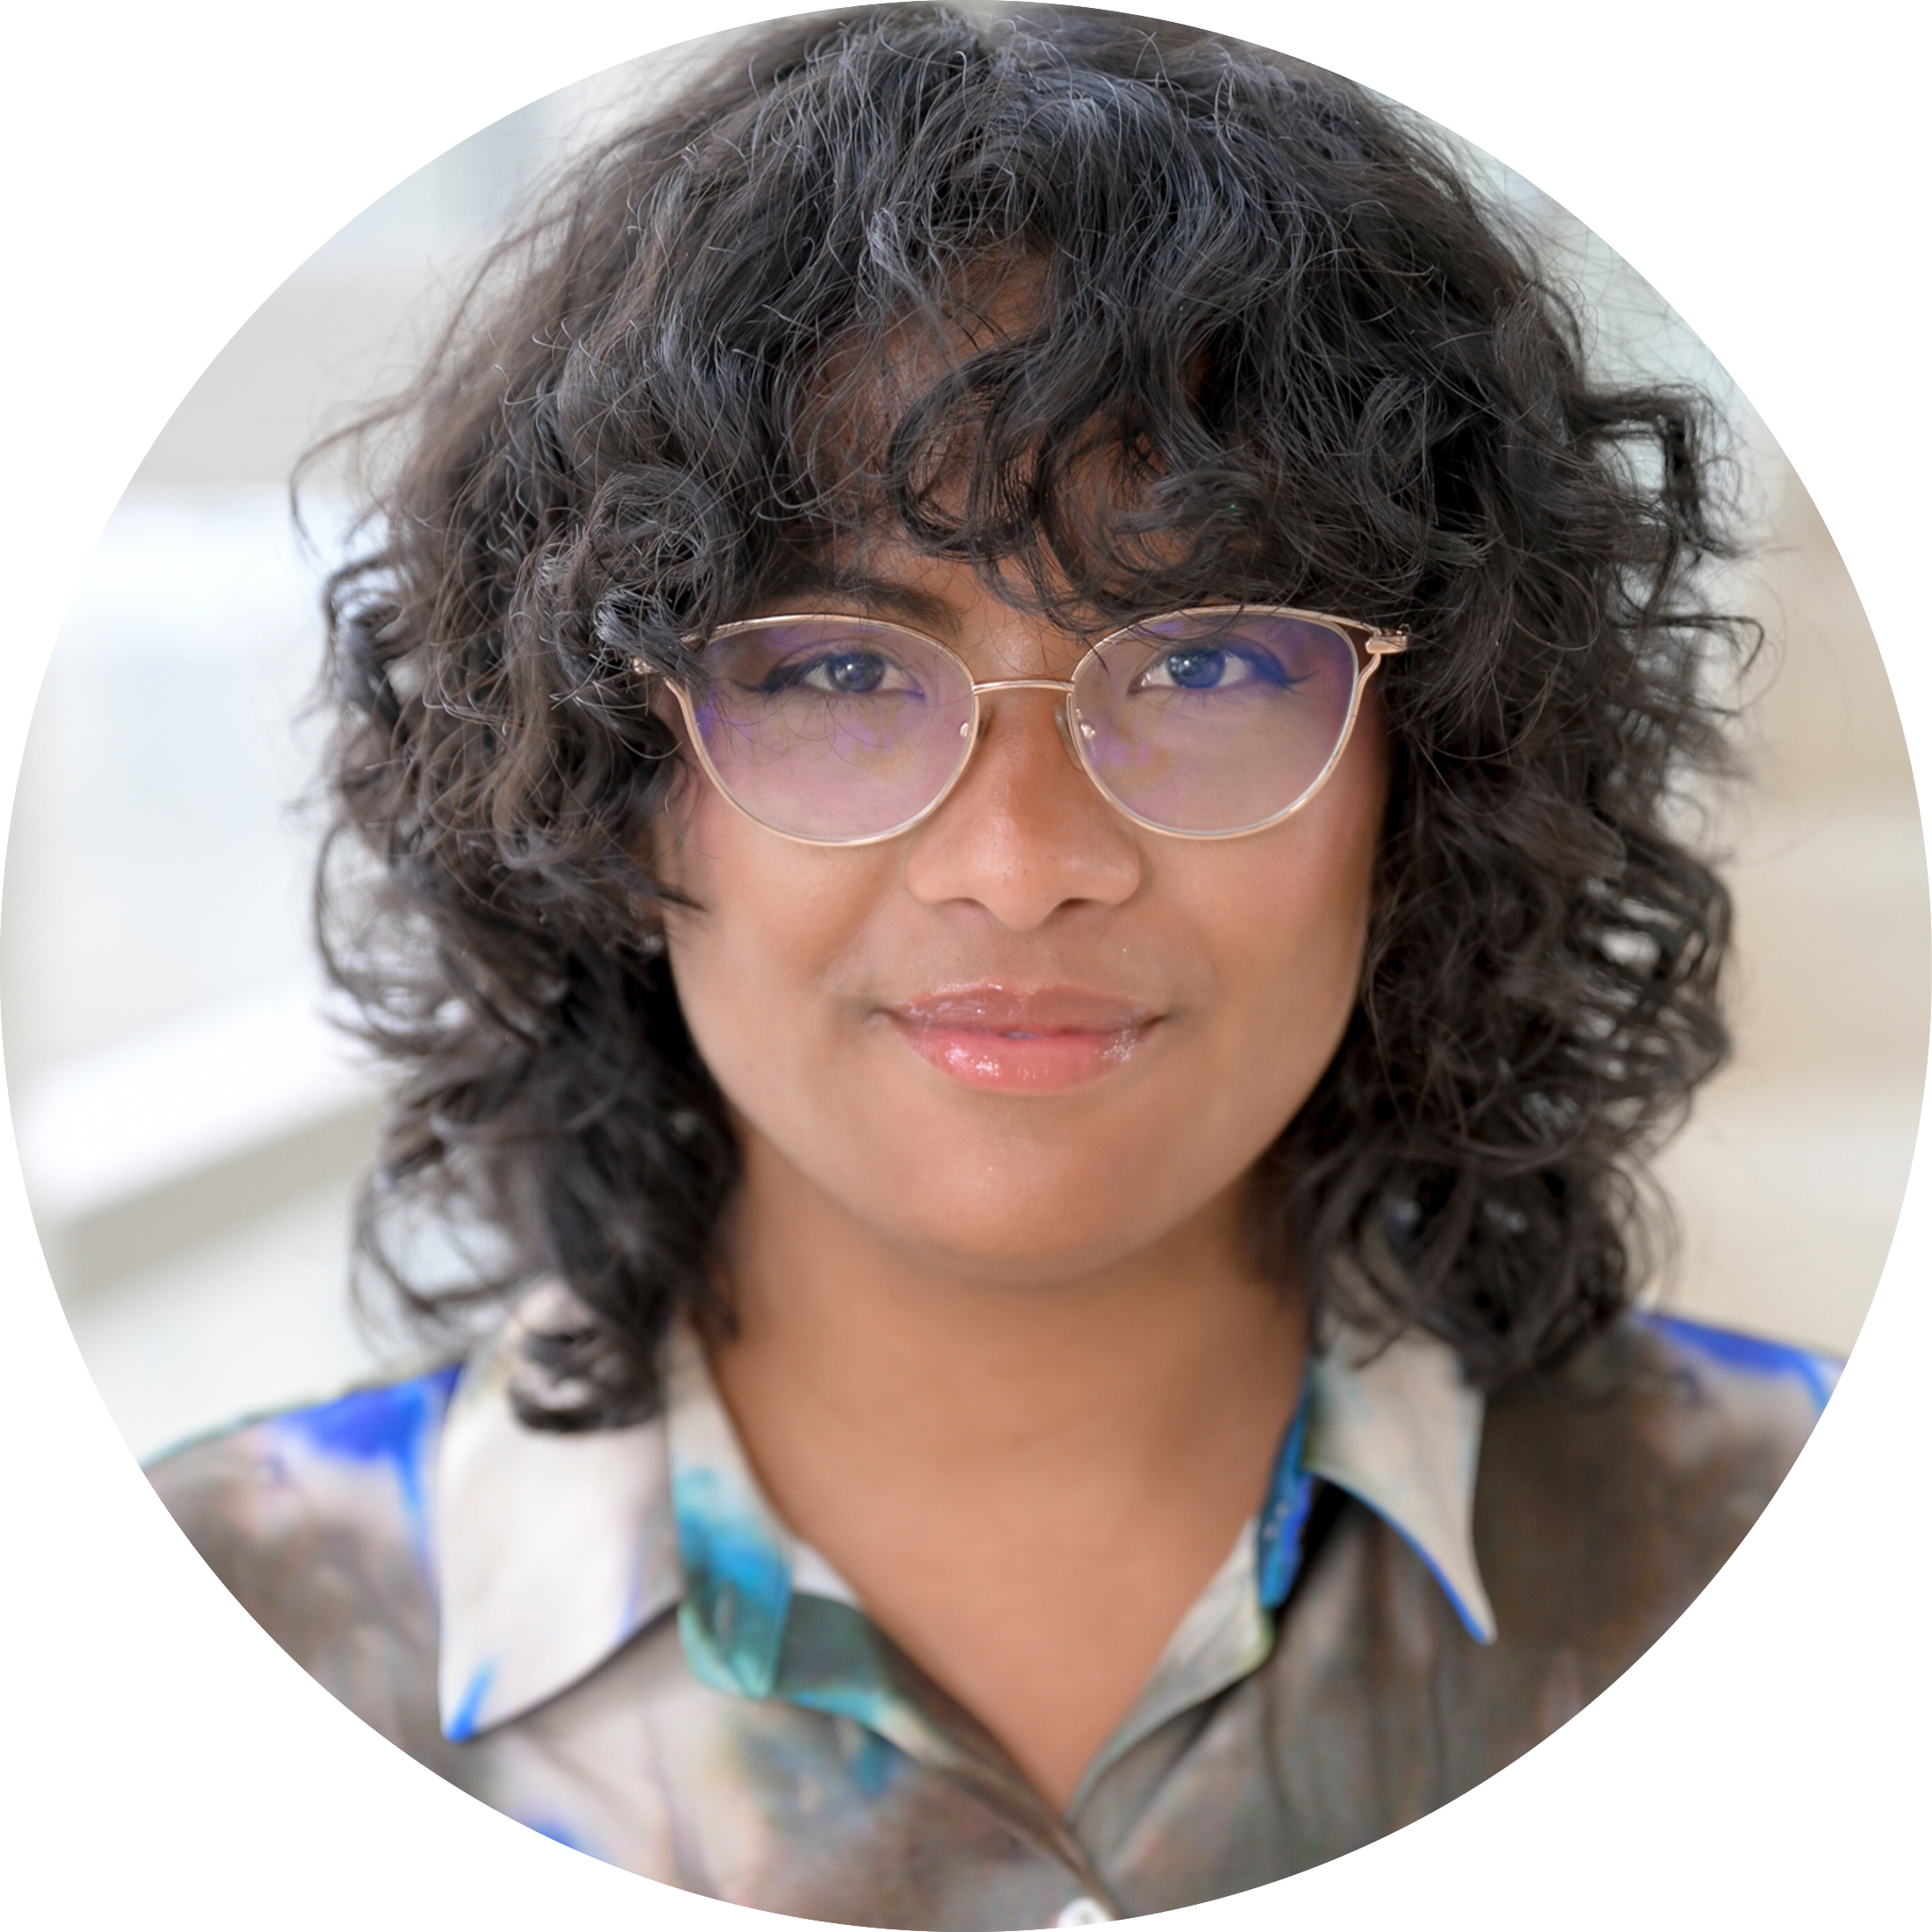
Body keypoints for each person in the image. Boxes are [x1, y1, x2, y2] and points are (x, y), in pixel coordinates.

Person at [2, 4, 1925, 1926]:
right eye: (835, 670)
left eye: (1208, 665)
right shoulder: (158, 1708)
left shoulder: (1867, 1610)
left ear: (1433, 775)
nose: (1023, 866)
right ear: (607, 773)